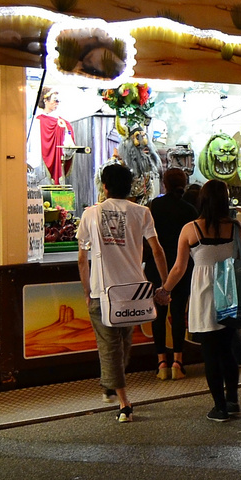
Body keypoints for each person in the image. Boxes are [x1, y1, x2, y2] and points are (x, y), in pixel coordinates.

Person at [78, 163, 167, 423]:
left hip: (102, 291)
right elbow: (157, 250)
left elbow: (82, 259)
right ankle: (123, 400)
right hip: (133, 290)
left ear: (104, 186)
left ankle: (113, 387)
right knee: (122, 344)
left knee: (111, 347)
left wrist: (86, 291)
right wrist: (163, 284)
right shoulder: (142, 213)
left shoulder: (90, 215)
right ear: (131, 186)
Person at [163, 180, 241, 422]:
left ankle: (219, 407)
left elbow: (179, 268)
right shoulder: (236, 228)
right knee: (228, 350)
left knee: (211, 353)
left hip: (204, 294)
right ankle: (233, 401)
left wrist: (164, 289)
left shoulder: (191, 229)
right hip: (229, 292)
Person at [147, 168, 195, 380]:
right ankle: (178, 361)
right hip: (182, 266)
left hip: (156, 267)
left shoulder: (154, 206)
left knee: (157, 314)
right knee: (178, 314)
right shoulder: (190, 210)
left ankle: (161, 364)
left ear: (164, 184)